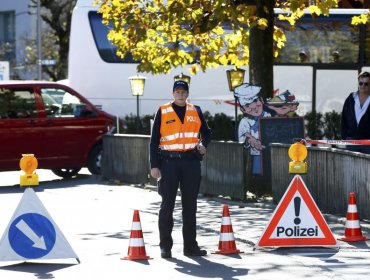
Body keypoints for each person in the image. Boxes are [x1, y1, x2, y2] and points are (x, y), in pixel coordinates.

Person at [149, 80, 211, 259]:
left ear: (188, 94)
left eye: (184, 92)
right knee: (167, 206)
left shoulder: (196, 110)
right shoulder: (162, 110)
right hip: (168, 163)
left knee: (190, 207)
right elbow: (153, 141)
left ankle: (190, 247)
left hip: (191, 162)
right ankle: (165, 247)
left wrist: (203, 144)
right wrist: (154, 166)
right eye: (178, 91)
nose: (181, 94)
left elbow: (207, 132)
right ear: (172, 93)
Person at [341, 71, 370, 154]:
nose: (363, 86)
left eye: (366, 84)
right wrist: (345, 138)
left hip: (368, 144)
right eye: (361, 83)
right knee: (350, 167)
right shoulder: (350, 99)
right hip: (351, 142)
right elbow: (344, 119)